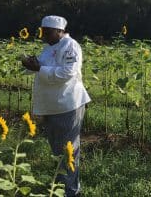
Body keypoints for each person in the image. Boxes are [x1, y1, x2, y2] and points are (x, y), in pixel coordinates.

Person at [21, 15, 90, 197]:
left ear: (60, 31)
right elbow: (42, 66)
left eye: (47, 32)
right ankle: (60, 187)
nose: (43, 35)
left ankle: (71, 192)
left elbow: (68, 72)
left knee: (69, 151)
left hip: (68, 105)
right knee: (58, 150)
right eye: (43, 31)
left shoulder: (70, 46)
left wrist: (39, 69)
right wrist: (30, 64)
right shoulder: (49, 48)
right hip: (52, 106)